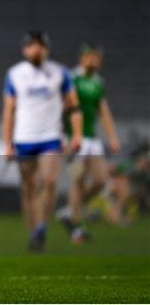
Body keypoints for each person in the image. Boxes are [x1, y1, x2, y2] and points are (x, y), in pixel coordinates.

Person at [2, 31, 82, 252]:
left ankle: (41, 227)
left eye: (40, 46)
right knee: (28, 188)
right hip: (24, 138)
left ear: (46, 49)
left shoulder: (60, 73)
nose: (35, 49)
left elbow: (74, 106)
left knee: (49, 182)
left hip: (51, 138)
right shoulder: (15, 74)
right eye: (31, 46)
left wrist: (76, 134)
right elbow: (9, 111)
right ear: (24, 49)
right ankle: (33, 231)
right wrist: (7, 143)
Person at [59, 44, 121, 242]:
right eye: (90, 57)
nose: (94, 61)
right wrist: (61, 136)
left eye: (97, 57)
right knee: (77, 179)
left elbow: (103, 112)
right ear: (82, 58)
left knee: (101, 180)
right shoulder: (71, 77)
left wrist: (112, 138)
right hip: (74, 137)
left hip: (92, 138)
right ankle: (76, 229)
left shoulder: (97, 82)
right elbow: (61, 107)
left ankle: (70, 211)